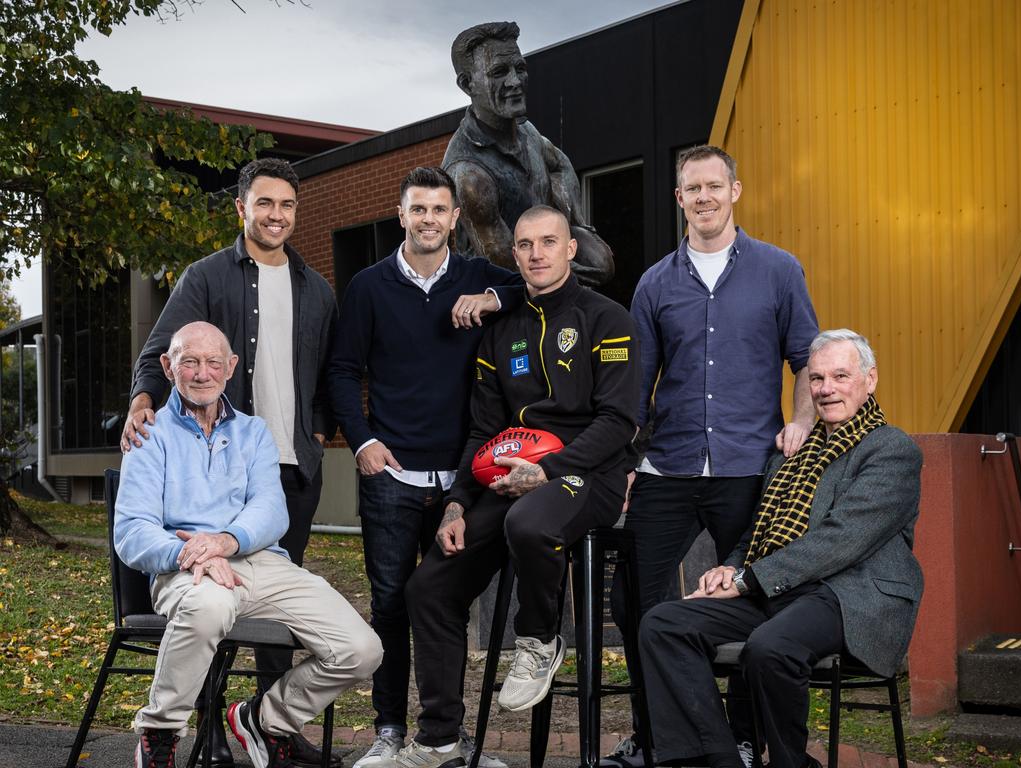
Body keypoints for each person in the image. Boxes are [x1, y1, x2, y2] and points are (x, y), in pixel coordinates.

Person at [389, 205, 639, 768]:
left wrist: (549, 470)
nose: (536, 254)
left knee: (529, 521)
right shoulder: (500, 329)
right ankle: (439, 741)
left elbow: (620, 421)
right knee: (428, 586)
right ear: (515, 255)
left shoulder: (608, 318)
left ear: (570, 249)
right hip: (508, 480)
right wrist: (456, 503)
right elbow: (483, 430)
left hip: (586, 475)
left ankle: (538, 639)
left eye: (548, 242)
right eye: (524, 245)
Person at [604, 145, 819, 768]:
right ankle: (654, 740)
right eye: (692, 189)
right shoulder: (654, 283)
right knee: (639, 606)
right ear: (679, 200)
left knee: (755, 600)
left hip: (750, 465)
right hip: (666, 467)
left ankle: (745, 739)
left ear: (735, 191)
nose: (704, 198)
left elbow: (803, 355)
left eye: (713, 187)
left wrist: (802, 421)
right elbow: (636, 384)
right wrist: (624, 462)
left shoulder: (779, 271)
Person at [120, 158, 338, 766]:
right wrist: (142, 401)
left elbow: (325, 375)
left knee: (275, 603)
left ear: (296, 211)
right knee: (212, 597)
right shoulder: (207, 276)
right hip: (220, 462)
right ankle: (209, 733)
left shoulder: (315, 289)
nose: (276, 215)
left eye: (287, 205)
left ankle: (269, 729)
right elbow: (160, 352)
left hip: (289, 471)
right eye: (264, 203)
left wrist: (317, 431)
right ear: (241, 208)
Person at [639, 329, 924, 768]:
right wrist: (729, 567)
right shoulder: (791, 453)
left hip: (849, 594)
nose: (826, 389)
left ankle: (790, 763)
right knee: (663, 624)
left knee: (771, 647)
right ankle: (719, 759)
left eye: (840, 376)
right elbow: (758, 531)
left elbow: (842, 539)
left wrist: (746, 579)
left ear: (870, 380)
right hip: (779, 588)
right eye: (817, 378)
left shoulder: (892, 450)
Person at [114, 321, 382, 768]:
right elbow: (131, 530)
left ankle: (266, 718)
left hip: (259, 563)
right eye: (189, 362)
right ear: (167, 366)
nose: (202, 373)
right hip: (184, 569)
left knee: (361, 650)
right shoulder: (148, 433)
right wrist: (189, 553)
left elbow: (272, 512)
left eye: (213, 362)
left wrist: (223, 541)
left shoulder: (254, 432)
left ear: (231, 367)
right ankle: (159, 733)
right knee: (210, 607)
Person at [329, 166, 521, 768]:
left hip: (462, 480)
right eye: (419, 210)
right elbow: (341, 371)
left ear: (455, 218)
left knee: (444, 608)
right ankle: (388, 731)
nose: (429, 220)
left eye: (440, 210)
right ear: (401, 213)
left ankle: (448, 739)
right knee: (388, 606)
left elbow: (535, 286)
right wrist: (361, 441)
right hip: (392, 478)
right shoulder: (369, 286)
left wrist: (491, 297)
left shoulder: (476, 276)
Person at [442, 21, 614, 287]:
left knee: (602, 262)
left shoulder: (527, 131)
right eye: (499, 72)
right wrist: (566, 269)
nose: (515, 81)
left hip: (548, 255)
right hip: (504, 291)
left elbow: (560, 163)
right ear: (467, 84)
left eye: (519, 68)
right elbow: (505, 263)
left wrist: (569, 218)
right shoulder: (467, 173)